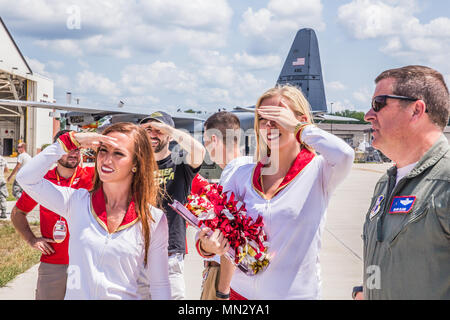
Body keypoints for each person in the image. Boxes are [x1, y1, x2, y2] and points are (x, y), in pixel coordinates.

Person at [198, 84, 355, 299]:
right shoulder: (240, 174)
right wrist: (207, 244)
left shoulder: (320, 171)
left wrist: (299, 128)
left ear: (300, 120)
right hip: (240, 295)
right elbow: (214, 229)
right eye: (263, 118)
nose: (269, 124)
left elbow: (345, 154)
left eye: (278, 116)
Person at [16, 123, 171, 299]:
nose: (106, 159)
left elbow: (160, 286)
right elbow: (26, 178)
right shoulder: (76, 202)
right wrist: (71, 140)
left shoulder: (153, 219)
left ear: (136, 162)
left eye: (118, 153)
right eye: (103, 150)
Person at [353, 65, 449, 300]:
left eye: (379, 104)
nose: (368, 114)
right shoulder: (386, 184)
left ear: (416, 110)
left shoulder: (445, 183)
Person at [11, 130, 95, 300]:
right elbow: (18, 213)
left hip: (85, 263)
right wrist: (31, 239)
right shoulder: (41, 182)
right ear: (56, 151)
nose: (73, 153)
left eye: (77, 149)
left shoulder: (94, 178)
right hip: (53, 263)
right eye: (69, 148)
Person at [140, 111, 205, 300]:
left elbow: (199, 151)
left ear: (169, 135)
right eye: (148, 130)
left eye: (158, 130)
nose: (153, 134)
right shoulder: (136, 166)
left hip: (169, 254)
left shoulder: (180, 166)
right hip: (137, 253)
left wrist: (168, 129)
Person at [199, 111, 253, 300]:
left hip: (227, 278)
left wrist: (222, 292)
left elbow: (232, 238)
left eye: (205, 141)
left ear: (213, 139)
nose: (205, 147)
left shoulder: (232, 176)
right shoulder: (249, 167)